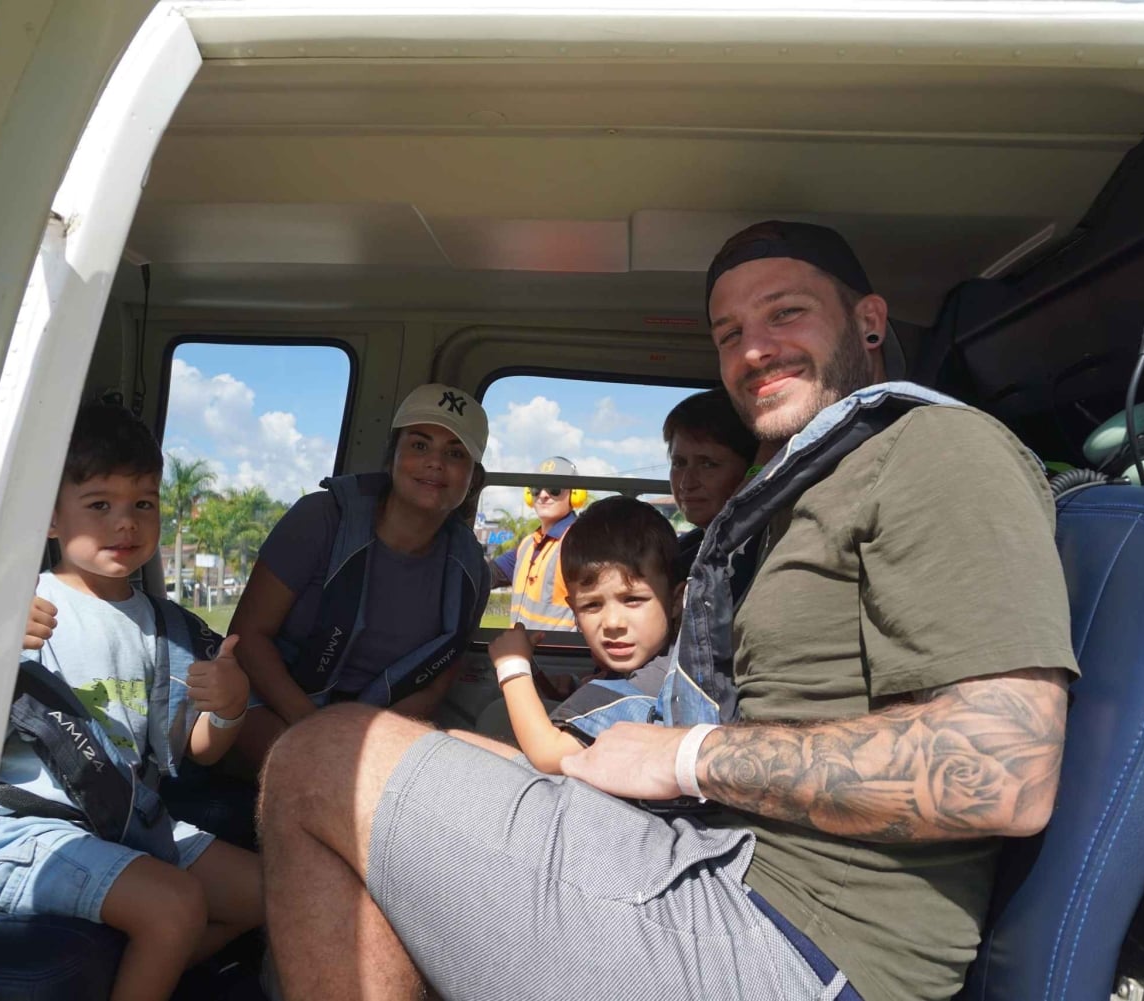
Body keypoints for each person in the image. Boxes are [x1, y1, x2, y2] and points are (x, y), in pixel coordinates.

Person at [257, 221, 1077, 1001]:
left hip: (796, 946)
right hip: (719, 858)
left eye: (785, 312)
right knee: (442, 747)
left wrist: (686, 757)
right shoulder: (799, 491)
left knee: (321, 760)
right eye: (728, 333)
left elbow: (1004, 769)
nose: (754, 350)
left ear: (867, 324)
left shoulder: (934, 450)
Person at [0, 403, 262, 1001]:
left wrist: (230, 707)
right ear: (52, 519)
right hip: (28, 828)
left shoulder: (169, 628)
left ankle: (133, 975)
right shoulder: (13, 606)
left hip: (132, 824)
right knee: (175, 907)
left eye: (143, 504)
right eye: (99, 505)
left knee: (272, 895)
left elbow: (200, 752)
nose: (125, 524)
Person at [228, 383, 492, 765]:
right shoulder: (319, 519)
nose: (435, 463)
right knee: (312, 771)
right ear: (392, 457)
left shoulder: (470, 573)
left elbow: (435, 688)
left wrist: (369, 741)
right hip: (274, 703)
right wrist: (317, 729)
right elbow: (248, 638)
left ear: (473, 478)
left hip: (373, 727)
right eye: (419, 445)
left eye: (455, 453)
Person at [487, 496, 683, 773]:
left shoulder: (652, 684)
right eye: (592, 605)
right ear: (574, 611)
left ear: (675, 601)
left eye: (633, 600)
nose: (613, 622)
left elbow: (550, 754)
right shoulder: (644, 666)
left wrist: (512, 666)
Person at [663, 387, 760, 594]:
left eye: (708, 464)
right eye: (679, 463)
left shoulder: (761, 556)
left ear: (750, 469)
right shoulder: (680, 555)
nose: (686, 483)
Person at [490, 455, 583, 631]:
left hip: (559, 656)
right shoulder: (528, 545)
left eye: (554, 489)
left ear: (575, 495)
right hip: (522, 651)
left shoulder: (579, 543)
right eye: (536, 488)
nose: (543, 495)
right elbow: (487, 574)